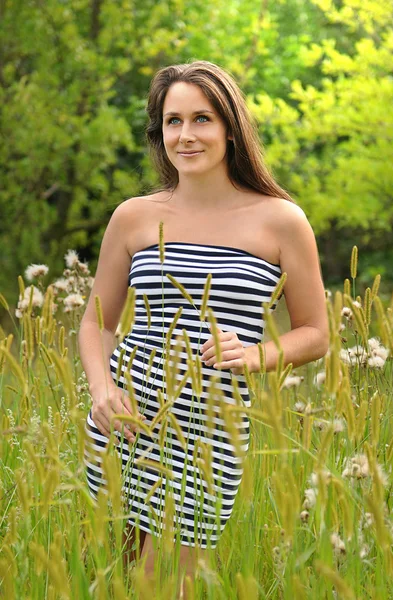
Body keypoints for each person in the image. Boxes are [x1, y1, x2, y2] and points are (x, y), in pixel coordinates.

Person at [79, 60, 329, 591]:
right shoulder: (134, 216)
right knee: (106, 581)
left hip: (209, 431)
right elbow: (96, 324)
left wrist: (256, 355)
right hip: (124, 419)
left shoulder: (281, 219)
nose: (186, 135)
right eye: (173, 121)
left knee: (164, 585)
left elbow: (315, 332)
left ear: (230, 128)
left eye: (202, 119)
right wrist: (102, 392)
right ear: (160, 131)